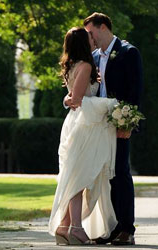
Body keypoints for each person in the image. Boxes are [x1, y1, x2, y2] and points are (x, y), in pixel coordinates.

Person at [74, 12, 143, 245]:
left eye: (91, 32)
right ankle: (110, 227)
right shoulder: (92, 57)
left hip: (118, 125)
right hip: (96, 126)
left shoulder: (128, 52)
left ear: (103, 27)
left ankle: (127, 229)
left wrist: (129, 123)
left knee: (120, 174)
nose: (89, 38)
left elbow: (135, 91)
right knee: (101, 177)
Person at [48, 26, 119, 245]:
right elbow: (78, 99)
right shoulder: (86, 65)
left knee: (77, 176)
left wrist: (66, 100)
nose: (93, 38)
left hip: (78, 123)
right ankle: (76, 228)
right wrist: (109, 105)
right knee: (80, 178)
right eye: (89, 36)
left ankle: (64, 226)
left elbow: (71, 98)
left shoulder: (74, 65)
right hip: (84, 128)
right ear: (83, 42)